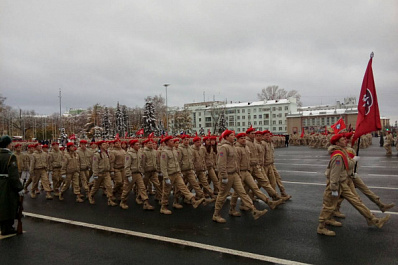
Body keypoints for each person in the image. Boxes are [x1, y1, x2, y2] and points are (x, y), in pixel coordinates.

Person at [317, 133, 390, 236]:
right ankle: (321, 227)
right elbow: (334, 174)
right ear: (337, 143)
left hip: (342, 183)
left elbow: (347, 166)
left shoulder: (342, 152)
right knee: (329, 206)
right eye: (342, 140)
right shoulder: (338, 156)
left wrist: (353, 161)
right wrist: (333, 188)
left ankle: (373, 220)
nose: (345, 140)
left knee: (356, 201)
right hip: (336, 185)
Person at [212, 130, 267, 223]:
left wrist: (237, 172)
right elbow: (221, 164)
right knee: (222, 196)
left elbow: (236, 162)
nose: (234, 136)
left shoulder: (232, 146)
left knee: (243, 193)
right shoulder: (223, 148)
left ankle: (253, 210)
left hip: (235, 174)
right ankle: (216, 214)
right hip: (227, 175)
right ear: (226, 137)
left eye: (233, 135)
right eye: (231, 135)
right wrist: (224, 176)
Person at [230, 133, 283, 216]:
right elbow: (236, 163)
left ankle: (269, 202)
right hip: (241, 172)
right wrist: (238, 174)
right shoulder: (237, 148)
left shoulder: (246, 146)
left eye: (244, 138)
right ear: (238, 139)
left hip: (248, 170)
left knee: (255, 187)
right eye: (241, 138)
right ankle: (232, 208)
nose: (243, 139)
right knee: (238, 191)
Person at [159, 136, 205, 215]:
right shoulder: (165, 152)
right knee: (166, 192)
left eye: (173, 140)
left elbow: (177, 162)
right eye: (171, 141)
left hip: (176, 173)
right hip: (169, 174)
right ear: (166, 142)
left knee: (183, 187)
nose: (173, 142)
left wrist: (179, 171)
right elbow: (163, 166)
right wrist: (166, 177)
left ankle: (193, 201)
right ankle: (163, 207)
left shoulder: (174, 151)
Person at [0, 136, 24, 235]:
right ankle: (7, 227)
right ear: (8, 144)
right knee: (9, 205)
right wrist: (19, 188)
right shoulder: (11, 156)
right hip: (7, 184)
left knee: (1, 205)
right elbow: (13, 175)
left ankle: (2, 225)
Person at [121, 139, 154, 210]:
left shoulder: (140, 152)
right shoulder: (129, 154)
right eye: (136, 144)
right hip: (131, 174)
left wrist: (142, 172)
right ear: (132, 146)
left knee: (142, 188)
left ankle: (146, 203)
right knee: (127, 189)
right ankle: (123, 202)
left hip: (138, 173)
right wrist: (128, 175)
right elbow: (127, 166)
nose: (138, 145)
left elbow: (141, 163)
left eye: (139, 144)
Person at [89, 141, 117, 206]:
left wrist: (111, 170)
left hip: (106, 173)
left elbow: (109, 163)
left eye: (105, 144)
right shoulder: (97, 154)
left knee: (109, 186)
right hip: (99, 173)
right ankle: (91, 196)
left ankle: (110, 200)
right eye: (103, 144)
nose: (106, 145)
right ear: (100, 146)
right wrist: (95, 174)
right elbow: (95, 165)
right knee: (96, 187)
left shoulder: (107, 153)